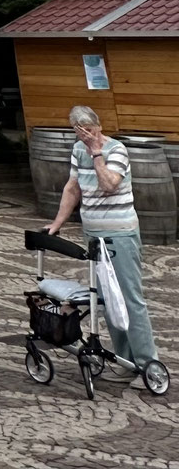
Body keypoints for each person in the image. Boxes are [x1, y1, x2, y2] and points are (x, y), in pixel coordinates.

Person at [47, 104, 161, 374]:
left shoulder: (116, 150)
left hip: (120, 234)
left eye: (89, 130)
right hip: (93, 234)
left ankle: (147, 364)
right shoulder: (77, 150)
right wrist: (57, 222)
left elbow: (110, 185)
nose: (85, 135)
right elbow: (73, 188)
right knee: (107, 298)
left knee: (130, 298)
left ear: (99, 127)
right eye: (80, 131)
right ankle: (124, 360)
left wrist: (97, 154)